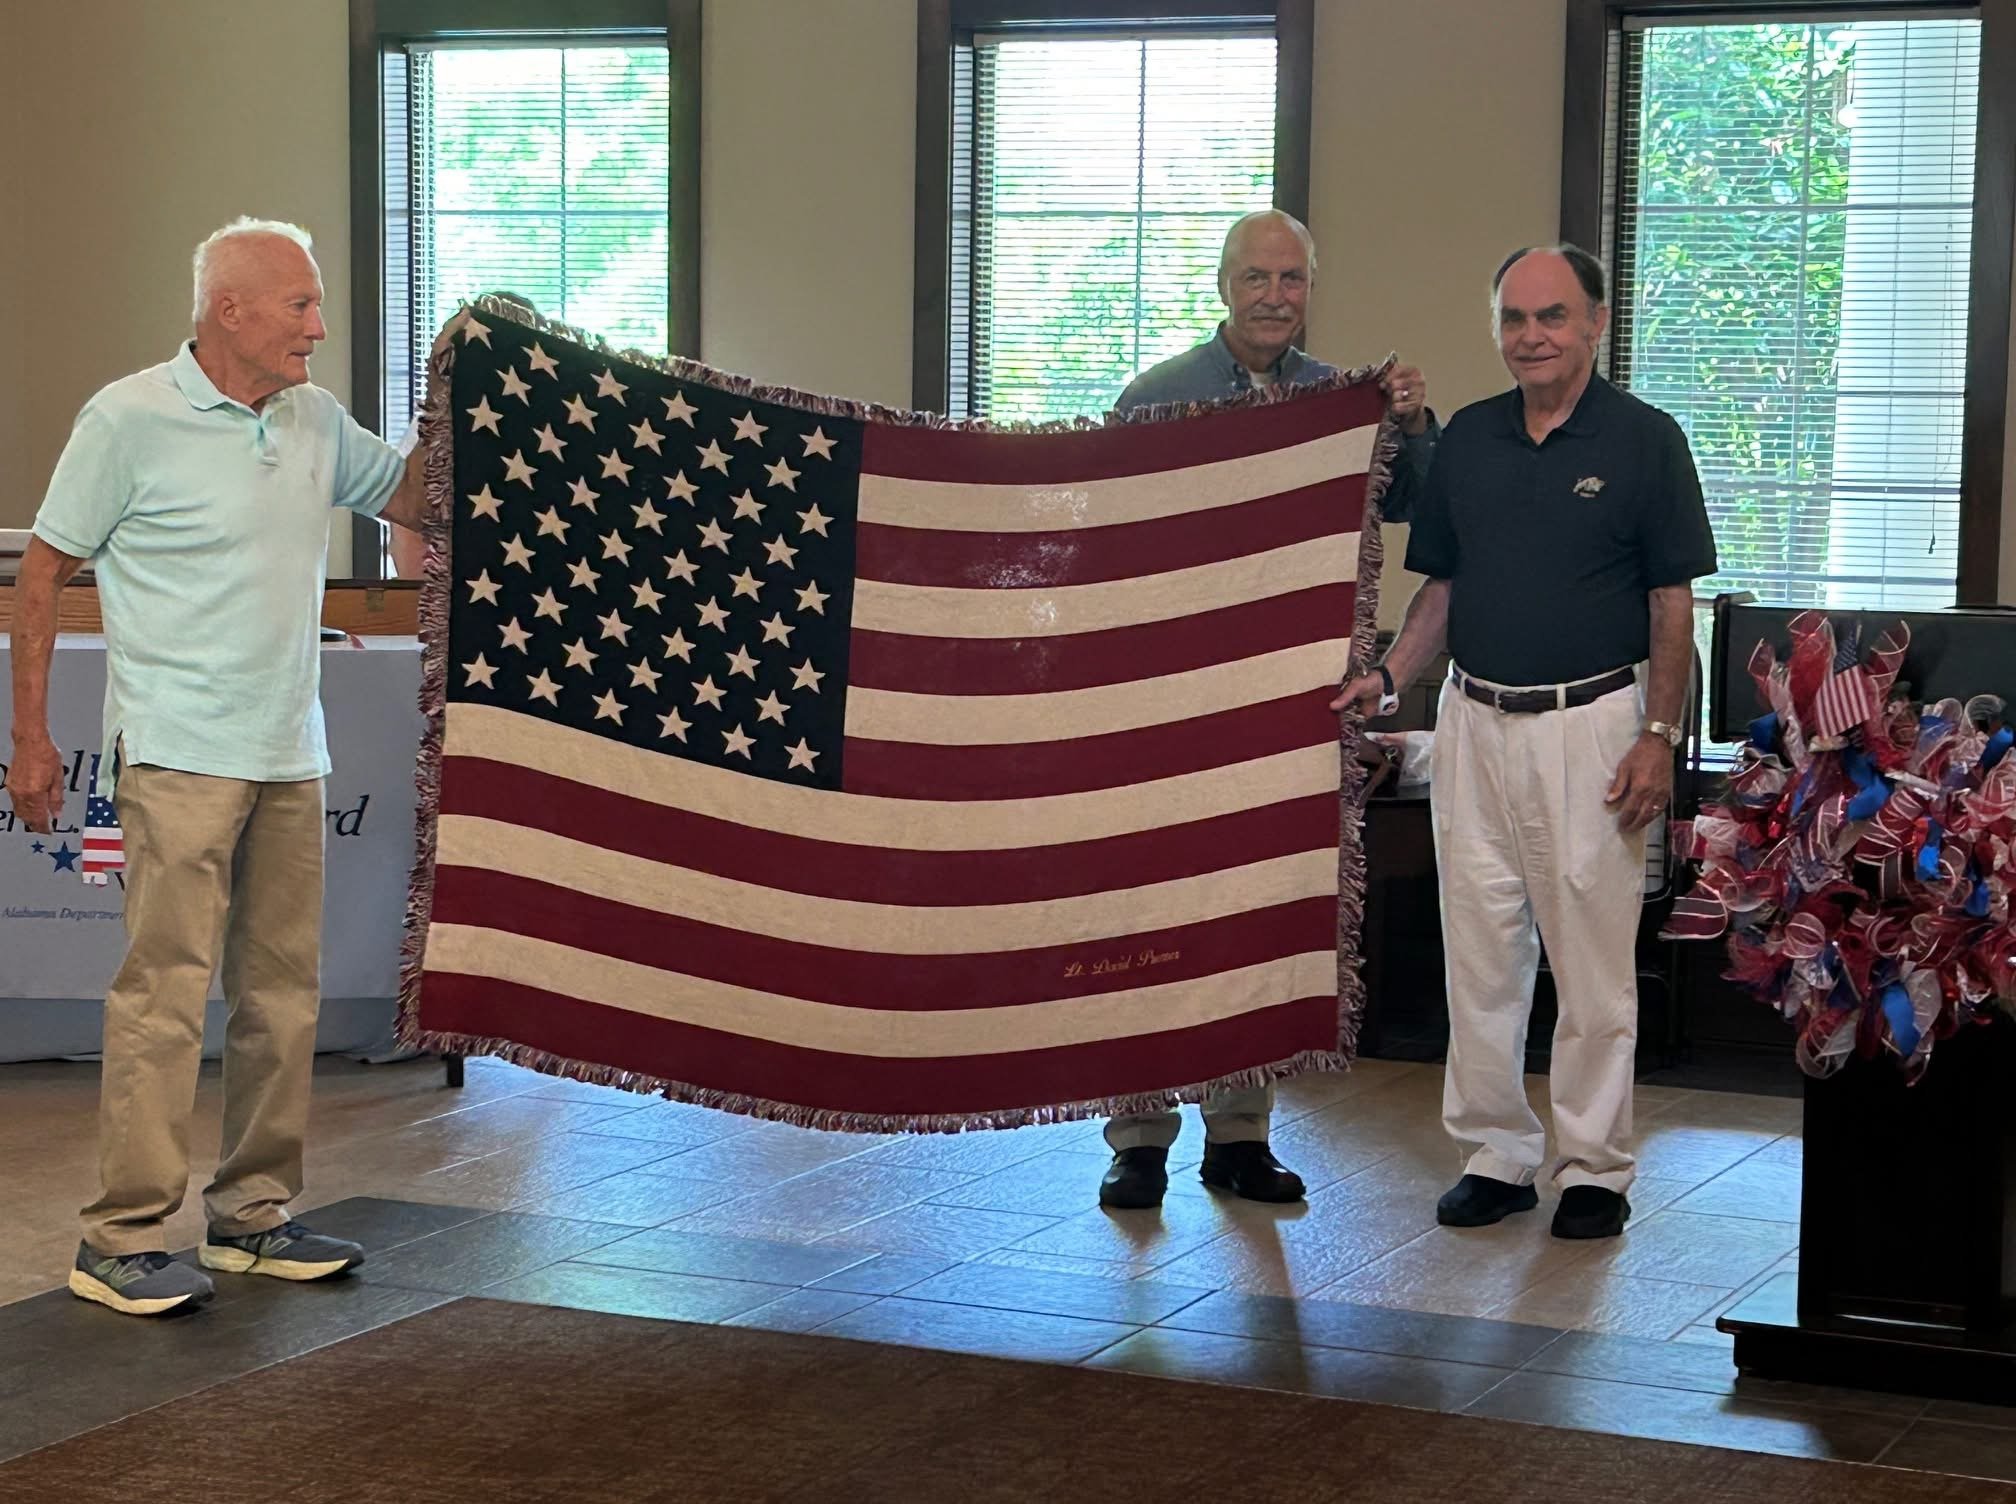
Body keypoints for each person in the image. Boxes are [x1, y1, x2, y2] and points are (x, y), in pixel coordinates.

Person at [6, 217, 432, 1315]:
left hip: (292, 750)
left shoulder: (314, 420)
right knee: (163, 998)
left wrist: (458, 394)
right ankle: (120, 1238)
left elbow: (415, 502)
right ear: (227, 309)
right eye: (299, 306)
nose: (318, 329)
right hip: (179, 755)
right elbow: (44, 574)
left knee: (280, 996)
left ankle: (251, 1214)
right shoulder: (128, 417)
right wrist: (34, 737)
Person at [1334, 244, 1716, 1240]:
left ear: (1595, 322)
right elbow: (1443, 591)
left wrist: (1658, 737)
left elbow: (1672, 606)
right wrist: (1386, 676)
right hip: (1472, 721)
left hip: (1593, 727)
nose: (1531, 337)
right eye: (1513, 318)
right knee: (1482, 954)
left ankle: (1593, 1166)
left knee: (1591, 963)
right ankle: (1496, 1152)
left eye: (1552, 316)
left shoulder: (1646, 440)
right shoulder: (1468, 438)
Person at [1097, 209, 1440, 1212]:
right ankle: (1139, 1136)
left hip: (1290, 704)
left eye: (1292, 279)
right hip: (1169, 702)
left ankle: (1240, 1135)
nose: (1274, 296)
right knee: (1153, 917)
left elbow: (1423, 503)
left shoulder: (1339, 404)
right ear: (1221, 286)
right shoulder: (1155, 399)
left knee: (1257, 919)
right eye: (1256, 277)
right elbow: (1108, 549)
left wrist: (1413, 422)